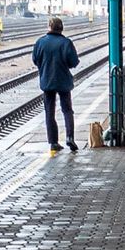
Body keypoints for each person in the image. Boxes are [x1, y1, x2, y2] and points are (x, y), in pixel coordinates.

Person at [32, 15, 80, 154]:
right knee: (67, 110)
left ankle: (53, 142)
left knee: (49, 112)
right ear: (61, 28)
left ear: (49, 27)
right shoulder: (66, 43)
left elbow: (35, 60)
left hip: (47, 81)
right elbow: (74, 62)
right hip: (63, 81)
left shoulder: (40, 42)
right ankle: (70, 137)